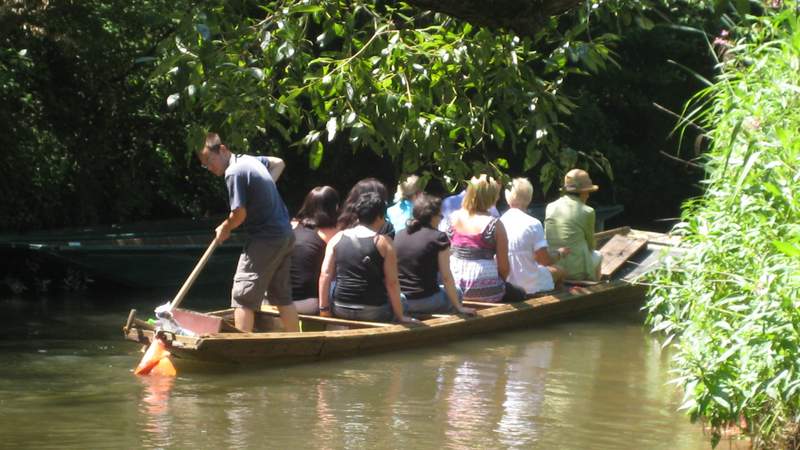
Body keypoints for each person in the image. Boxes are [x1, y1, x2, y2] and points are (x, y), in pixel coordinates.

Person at [197, 132, 299, 332]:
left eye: (210, 160)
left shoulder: (233, 172)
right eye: (205, 164)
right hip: (284, 234)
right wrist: (262, 190)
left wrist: (225, 227)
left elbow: (239, 214)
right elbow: (278, 162)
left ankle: (243, 347)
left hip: (266, 237)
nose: (209, 167)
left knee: (242, 296)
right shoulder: (250, 161)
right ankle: (301, 342)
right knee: (281, 296)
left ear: (223, 149)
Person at [318, 192, 417, 323]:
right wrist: (400, 316)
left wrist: (324, 310)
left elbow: (325, 275)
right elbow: (392, 283)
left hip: (340, 307)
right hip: (373, 310)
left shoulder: (337, 238)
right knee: (403, 299)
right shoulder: (384, 243)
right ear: (379, 216)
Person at [448, 174, 526, 303]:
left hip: (455, 289)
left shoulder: (452, 219)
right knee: (520, 293)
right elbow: (504, 268)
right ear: (491, 197)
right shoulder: (495, 225)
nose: (499, 197)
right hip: (487, 289)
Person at [394, 194, 475, 315]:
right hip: (425, 300)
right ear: (432, 217)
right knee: (457, 292)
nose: (441, 218)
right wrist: (459, 307)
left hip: (401, 301)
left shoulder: (398, 235)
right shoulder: (439, 238)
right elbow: (446, 278)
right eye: (440, 216)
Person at [499, 178, 565, 296]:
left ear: (507, 198)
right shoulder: (533, 223)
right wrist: (559, 254)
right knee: (560, 271)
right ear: (529, 199)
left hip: (506, 284)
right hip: (529, 284)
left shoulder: (499, 222)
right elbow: (544, 261)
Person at [284, 186, 340, 315]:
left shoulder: (291, 226)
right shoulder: (333, 235)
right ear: (335, 208)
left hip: (280, 299)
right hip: (307, 302)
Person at [544, 168, 602, 281]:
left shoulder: (550, 207)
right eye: (588, 192)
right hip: (575, 272)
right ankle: (595, 287)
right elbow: (591, 246)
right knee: (598, 255)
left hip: (553, 268)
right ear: (583, 192)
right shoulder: (587, 211)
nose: (588, 196)